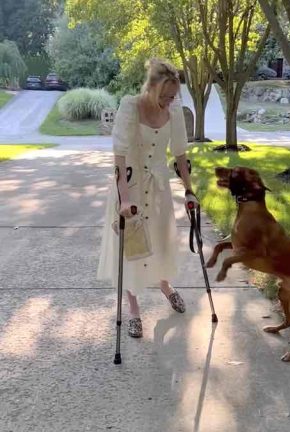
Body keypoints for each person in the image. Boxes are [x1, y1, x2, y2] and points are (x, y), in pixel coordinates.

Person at [97, 58, 198, 338]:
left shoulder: (174, 111)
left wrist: (189, 189)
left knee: (161, 241)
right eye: (164, 96)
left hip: (158, 186)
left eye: (173, 96)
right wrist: (124, 199)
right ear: (150, 87)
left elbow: (180, 154)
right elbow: (120, 156)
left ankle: (165, 285)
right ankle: (134, 310)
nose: (168, 102)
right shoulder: (130, 106)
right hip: (129, 185)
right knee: (133, 247)